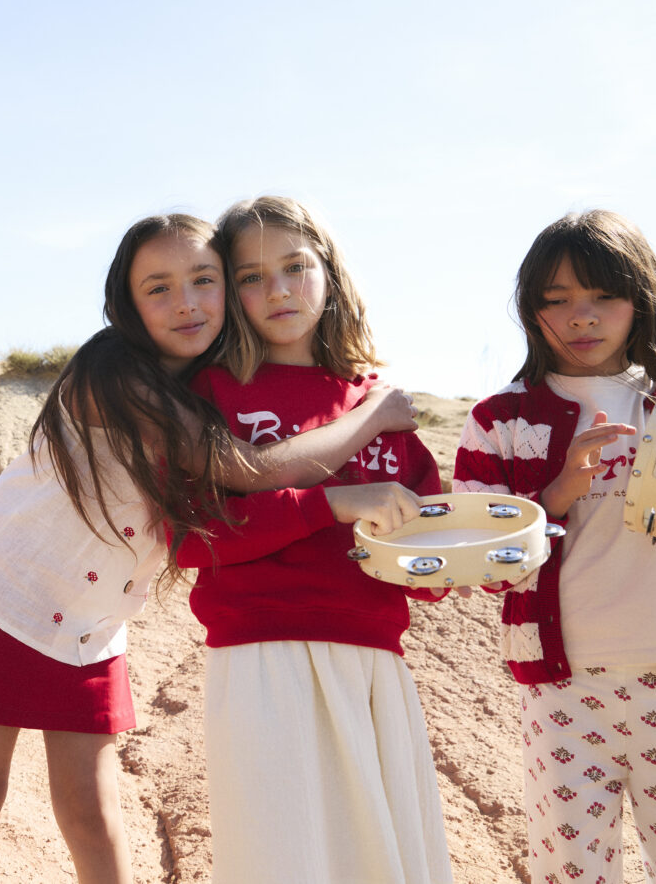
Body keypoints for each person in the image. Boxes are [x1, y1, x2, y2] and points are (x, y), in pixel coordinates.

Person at [0, 212, 423, 884]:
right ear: (126, 302)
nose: (186, 302)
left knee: (92, 808)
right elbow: (250, 470)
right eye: (158, 288)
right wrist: (373, 414)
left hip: (92, 620)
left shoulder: (203, 379)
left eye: (204, 280)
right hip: (10, 594)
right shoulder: (119, 373)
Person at [175, 195, 454, 884]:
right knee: (286, 861)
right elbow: (194, 538)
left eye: (296, 266)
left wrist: (443, 555)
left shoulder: (380, 405)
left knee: (389, 866)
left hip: (376, 663)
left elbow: (435, 564)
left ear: (328, 273)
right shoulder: (209, 395)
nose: (277, 289)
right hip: (263, 656)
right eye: (251, 275)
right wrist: (330, 504)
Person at [453, 209, 656, 883]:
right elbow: (480, 562)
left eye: (602, 296)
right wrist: (558, 492)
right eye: (556, 300)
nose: (581, 317)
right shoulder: (498, 421)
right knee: (572, 871)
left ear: (643, 301)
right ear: (531, 312)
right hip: (564, 689)